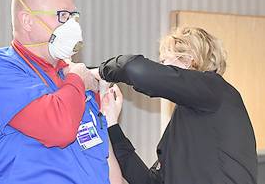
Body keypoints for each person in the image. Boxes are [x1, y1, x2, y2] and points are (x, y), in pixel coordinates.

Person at [0, 0, 122, 184]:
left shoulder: (68, 75)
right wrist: (78, 79)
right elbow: (60, 129)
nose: (72, 24)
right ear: (28, 21)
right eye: (63, 15)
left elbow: (97, 148)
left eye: (74, 15)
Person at [97, 27, 258, 184]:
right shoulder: (188, 117)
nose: (161, 67)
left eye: (164, 61)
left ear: (188, 60)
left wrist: (101, 72)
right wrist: (112, 124)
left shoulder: (215, 89)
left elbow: (136, 70)